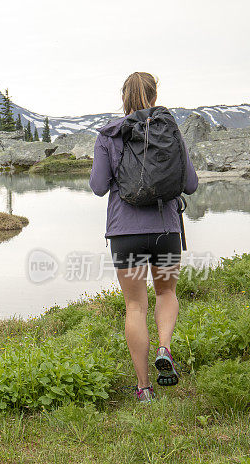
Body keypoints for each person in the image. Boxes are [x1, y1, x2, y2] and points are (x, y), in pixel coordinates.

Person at [89, 72, 199, 403]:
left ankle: (144, 388)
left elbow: (98, 187)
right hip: (165, 229)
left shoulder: (109, 134)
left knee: (135, 306)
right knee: (166, 293)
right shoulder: (170, 130)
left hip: (125, 234)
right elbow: (191, 184)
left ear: (123, 97)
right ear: (154, 96)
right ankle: (164, 347)